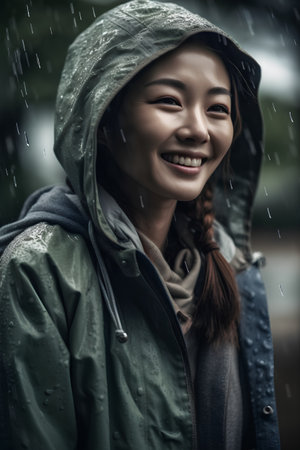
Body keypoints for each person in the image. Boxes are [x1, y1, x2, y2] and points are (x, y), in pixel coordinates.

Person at [0, 0, 281, 449]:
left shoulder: (233, 266)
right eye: (169, 101)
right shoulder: (38, 272)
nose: (198, 129)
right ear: (103, 121)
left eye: (218, 109)